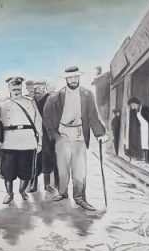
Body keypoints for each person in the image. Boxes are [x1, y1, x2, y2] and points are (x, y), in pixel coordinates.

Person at [43, 66, 108, 211]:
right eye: (70, 77)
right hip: (62, 136)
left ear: (79, 77)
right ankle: (62, 192)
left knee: (80, 169)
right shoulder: (54, 97)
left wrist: (100, 134)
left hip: (79, 135)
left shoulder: (87, 95)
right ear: (66, 79)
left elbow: (93, 116)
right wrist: (55, 135)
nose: (73, 80)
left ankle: (80, 197)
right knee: (62, 168)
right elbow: (47, 118)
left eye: (75, 77)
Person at [0, 77, 42, 204]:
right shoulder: (2, 103)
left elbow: (38, 122)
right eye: (13, 86)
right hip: (9, 142)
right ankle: (9, 194)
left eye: (18, 86)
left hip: (28, 141)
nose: (16, 89)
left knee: (26, 172)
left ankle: (22, 191)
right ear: (9, 88)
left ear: (21, 87)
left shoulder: (30, 102)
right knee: (8, 172)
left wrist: (39, 141)